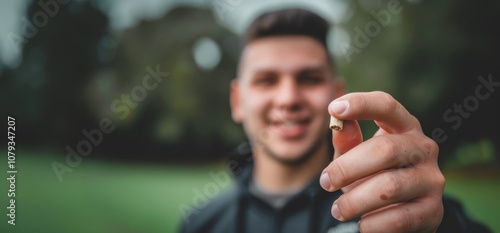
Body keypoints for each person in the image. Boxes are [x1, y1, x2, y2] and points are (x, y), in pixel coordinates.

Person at [179, 8, 491, 233]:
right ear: (238, 101)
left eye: (309, 78)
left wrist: (441, 225)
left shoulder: (393, 204)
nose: (289, 98)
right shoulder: (201, 223)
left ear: (336, 94)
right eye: (267, 80)